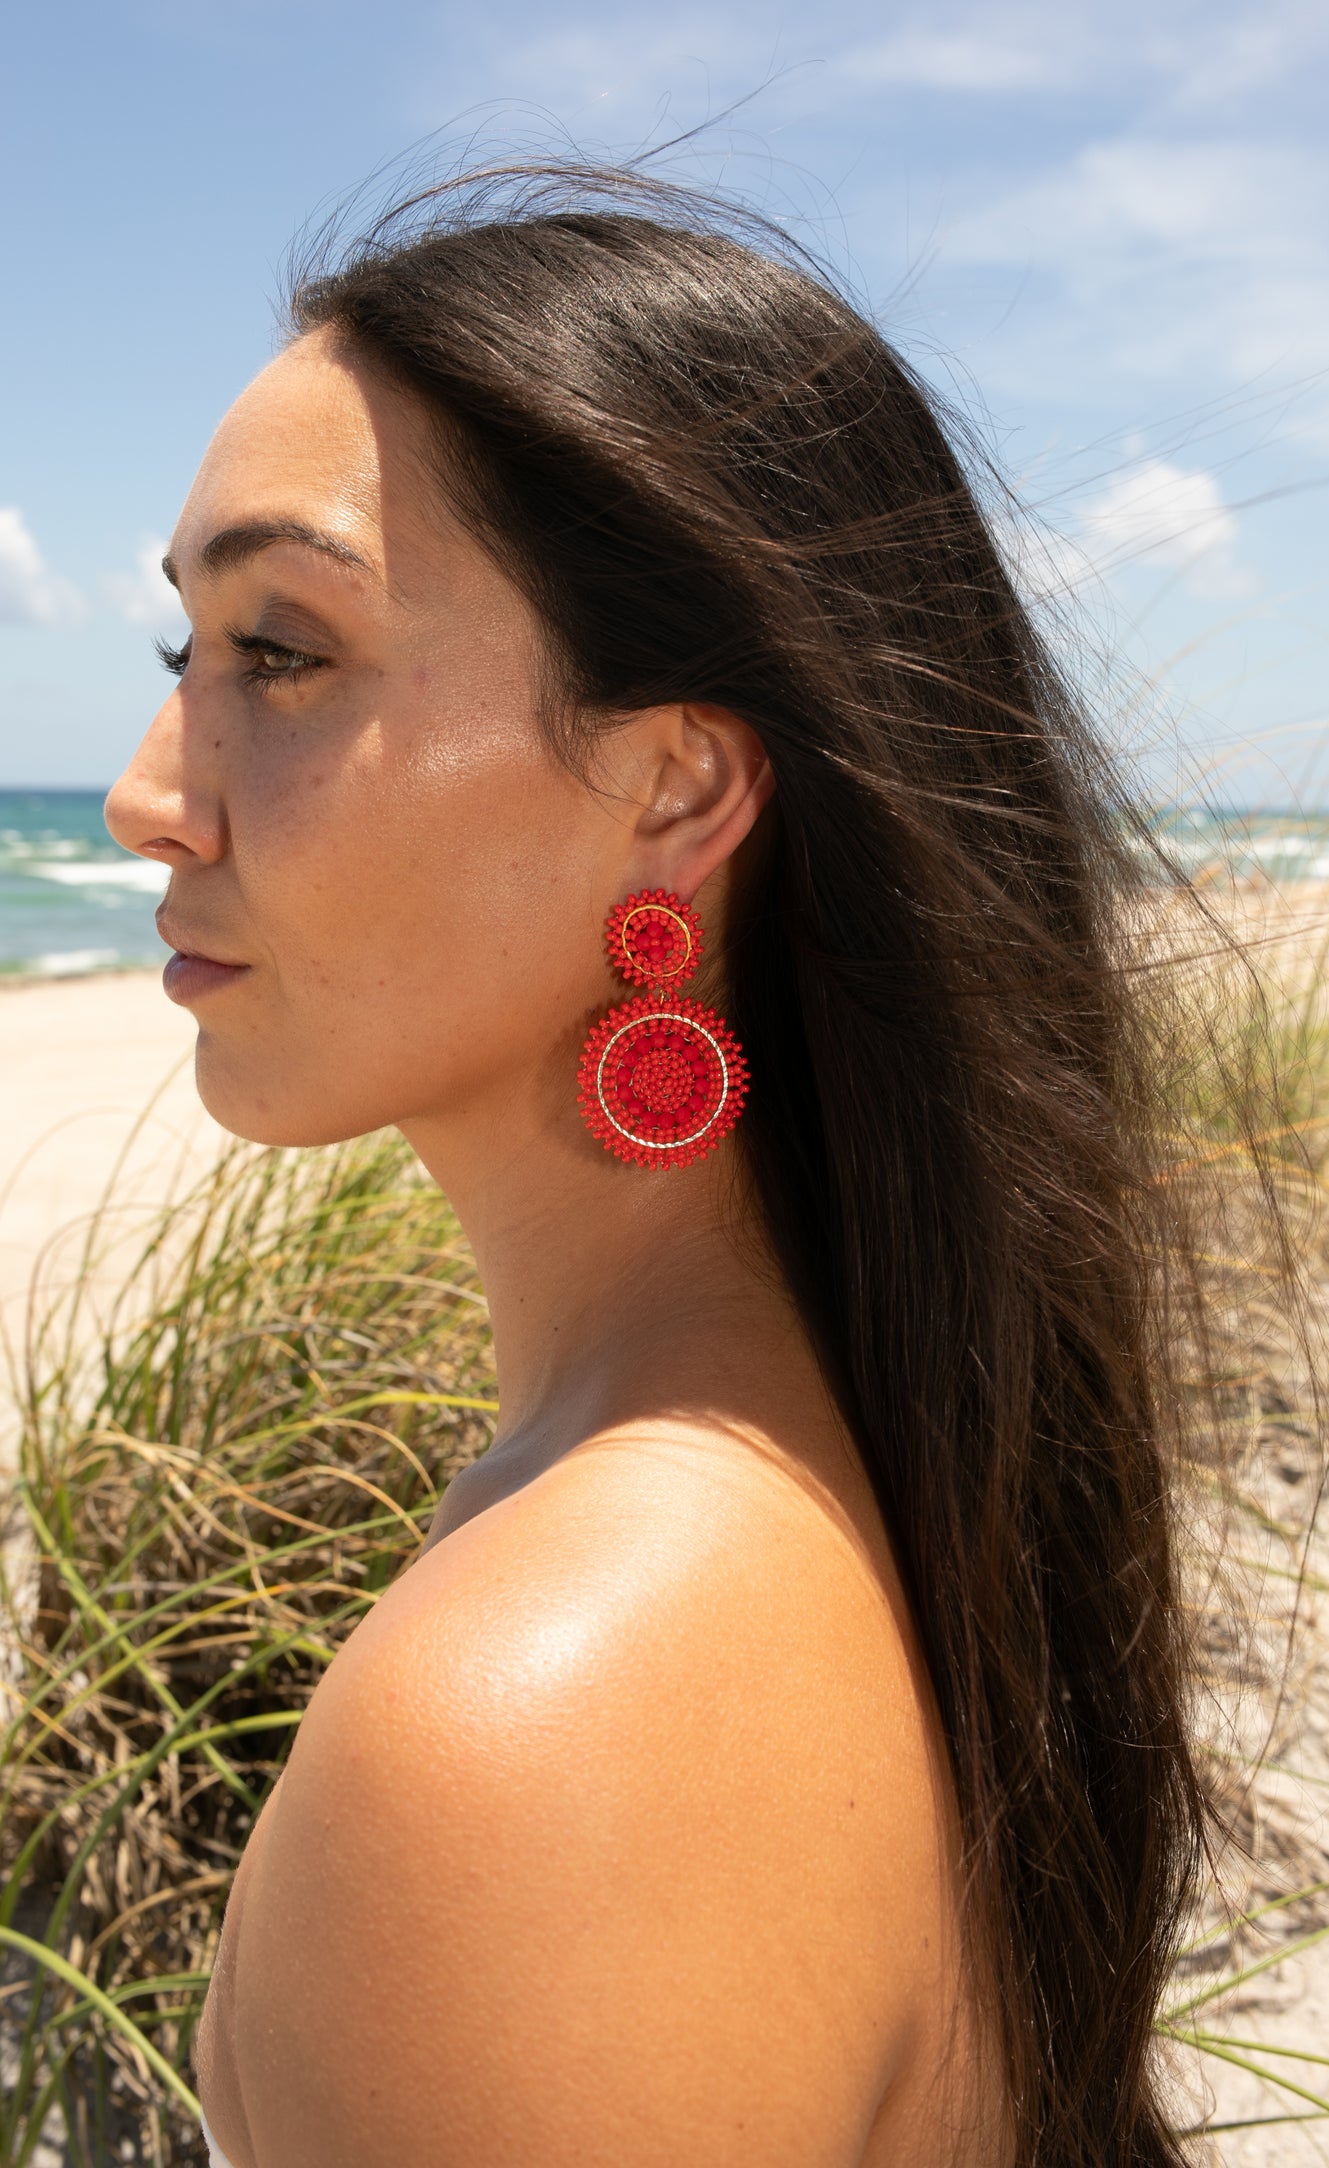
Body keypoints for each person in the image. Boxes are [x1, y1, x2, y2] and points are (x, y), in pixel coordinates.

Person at [104, 169, 1205, 2168]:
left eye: (280, 652)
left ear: (677, 786)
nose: (146, 799)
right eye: (178, 648)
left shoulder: (544, 1720)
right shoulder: (790, 1477)